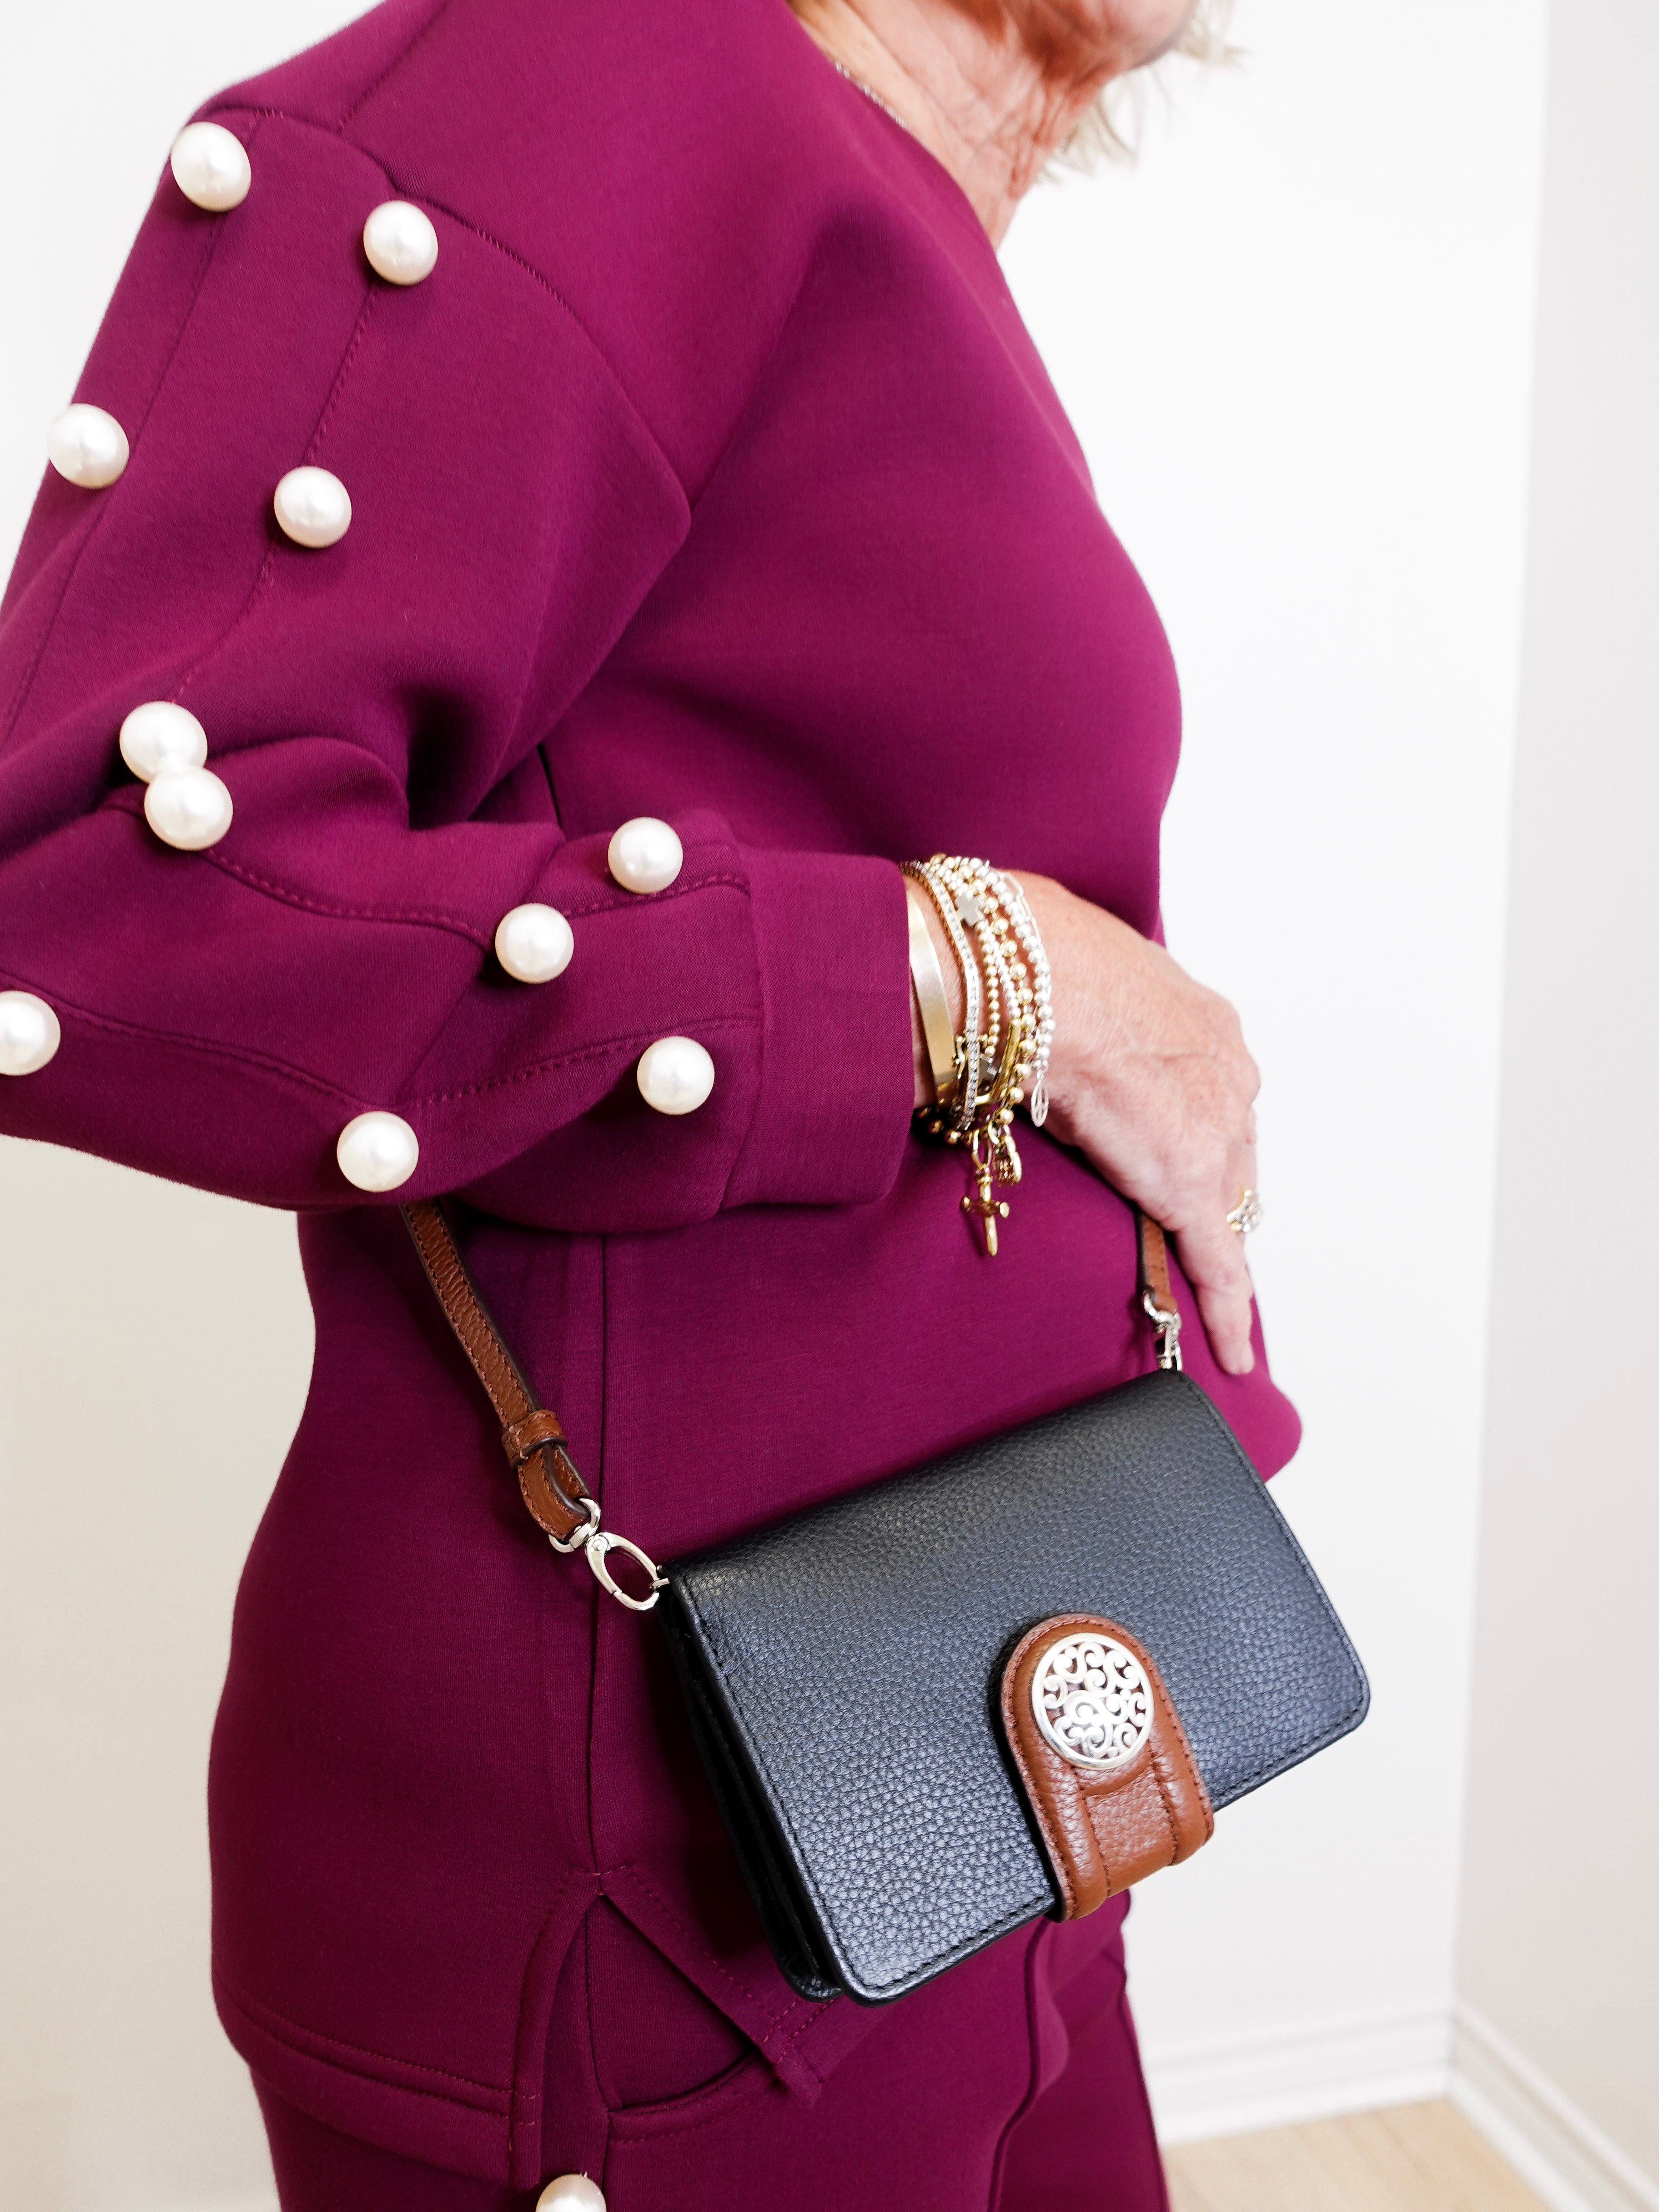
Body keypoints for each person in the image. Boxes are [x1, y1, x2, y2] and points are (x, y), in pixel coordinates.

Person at [0, 0, 1298, 2203]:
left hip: (975, 1728)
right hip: (681, 1876)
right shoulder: (601, 69)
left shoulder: (861, 172)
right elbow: (88, 892)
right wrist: (992, 975)